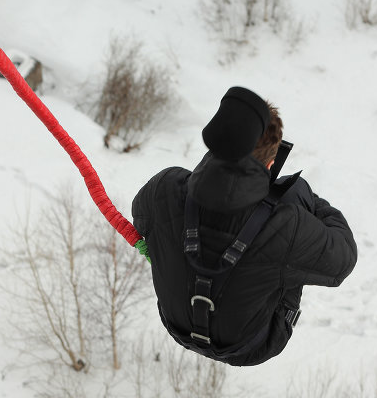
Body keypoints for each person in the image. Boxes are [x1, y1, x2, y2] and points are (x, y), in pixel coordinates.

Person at [131, 86, 357, 366]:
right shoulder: (288, 226)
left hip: (176, 323)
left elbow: (140, 219)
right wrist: (307, 199)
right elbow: (343, 259)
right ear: (272, 163)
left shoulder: (164, 188)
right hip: (251, 346)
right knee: (295, 190)